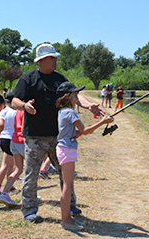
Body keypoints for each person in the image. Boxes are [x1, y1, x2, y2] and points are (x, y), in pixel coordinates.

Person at [10, 43, 104, 223]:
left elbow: (75, 94)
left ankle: (70, 205)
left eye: (55, 57)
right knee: (31, 173)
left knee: (64, 171)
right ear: (42, 60)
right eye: (52, 58)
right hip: (34, 136)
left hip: (58, 136)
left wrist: (87, 105)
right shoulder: (28, 79)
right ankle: (29, 210)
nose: (55, 60)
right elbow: (14, 100)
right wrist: (24, 106)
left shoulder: (59, 78)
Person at [55, 82, 114, 230]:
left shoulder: (62, 111)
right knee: (67, 187)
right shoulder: (70, 112)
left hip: (64, 148)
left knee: (68, 185)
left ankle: (67, 218)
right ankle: (66, 220)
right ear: (67, 97)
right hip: (67, 150)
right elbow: (85, 130)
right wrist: (103, 122)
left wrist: (86, 130)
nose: (77, 98)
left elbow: (74, 132)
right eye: (75, 95)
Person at [0, 93, 19, 207]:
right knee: (6, 164)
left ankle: (9, 184)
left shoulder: (2, 112)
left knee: (9, 164)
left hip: (2, 138)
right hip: (10, 139)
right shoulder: (15, 113)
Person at [0, 105, 25, 207]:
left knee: (18, 169)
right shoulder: (26, 111)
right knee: (31, 169)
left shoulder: (16, 111)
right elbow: (24, 128)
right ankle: (28, 197)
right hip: (22, 141)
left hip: (14, 140)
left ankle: (4, 192)